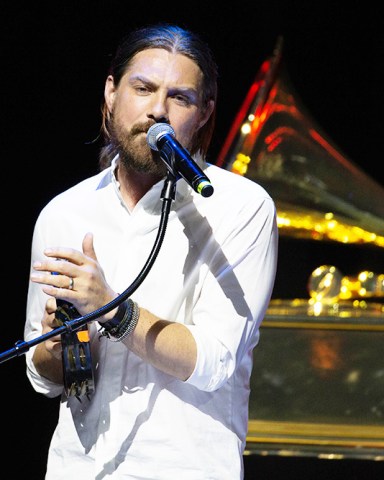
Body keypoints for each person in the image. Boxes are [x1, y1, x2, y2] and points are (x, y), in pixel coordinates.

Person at [24, 23, 278, 479]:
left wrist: (108, 308)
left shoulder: (242, 207)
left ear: (204, 113)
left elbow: (215, 360)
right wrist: (61, 344)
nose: (157, 110)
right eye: (143, 88)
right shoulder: (63, 212)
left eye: (180, 97)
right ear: (111, 93)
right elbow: (42, 376)